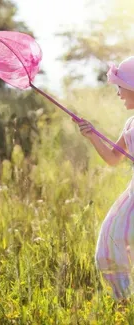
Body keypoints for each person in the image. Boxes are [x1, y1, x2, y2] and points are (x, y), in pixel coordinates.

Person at [73, 56, 134, 300]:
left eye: (120, 87)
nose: (118, 94)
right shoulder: (131, 123)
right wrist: (92, 136)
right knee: (111, 244)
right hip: (132, 196)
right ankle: (124, 302)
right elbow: (113, 158)